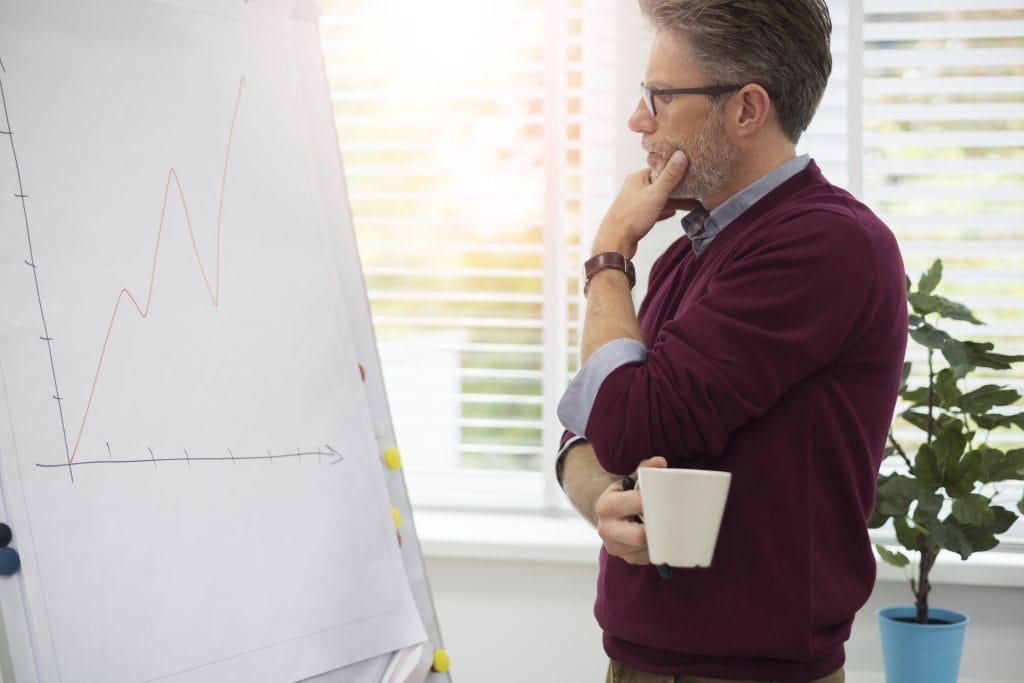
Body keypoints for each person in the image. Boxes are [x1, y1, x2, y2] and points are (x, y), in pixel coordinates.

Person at [555, 1, 908, 681]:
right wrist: (603, 494)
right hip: (641, 658)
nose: (639, 121)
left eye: (659, 97)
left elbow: (627, 424)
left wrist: (609, 254)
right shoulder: (686, 259)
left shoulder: (824, 245)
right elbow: (588, 432)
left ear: (746, 109)